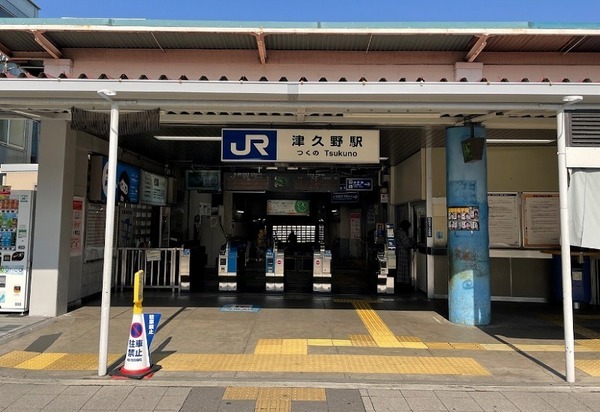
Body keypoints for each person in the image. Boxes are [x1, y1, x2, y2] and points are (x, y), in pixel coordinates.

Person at [396, 220, 416, 291]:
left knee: (400, 269)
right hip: (403, 253)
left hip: (398, 251)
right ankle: (404, 285)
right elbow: (406, 244)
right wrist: (412, 242)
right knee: (404, 269)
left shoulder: (397, 232)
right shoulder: (403, 233)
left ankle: (399, 284)